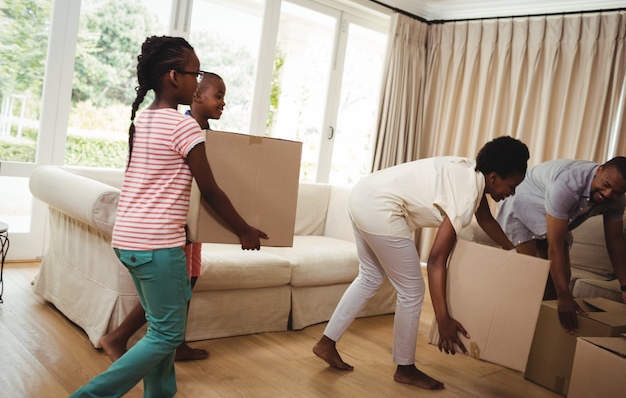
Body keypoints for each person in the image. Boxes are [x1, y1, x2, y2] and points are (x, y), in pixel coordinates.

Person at [69, 36, 267, 398]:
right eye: (196, 73)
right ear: (174, 77)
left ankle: (160, 394)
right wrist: (244, 230)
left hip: (128, 241)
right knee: (167, 335)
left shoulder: (144, 121)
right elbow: (209, 191)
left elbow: (155, 183)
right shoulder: (184, 127)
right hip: (158, 246)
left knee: (160, 327)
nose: (197, 82)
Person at [313, 136, 530, 390]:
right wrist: (443, 319)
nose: (511, 193)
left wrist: (514, 253)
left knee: (370, 277)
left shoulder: (470, 172)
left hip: (362, 194)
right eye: (512, 185)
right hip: (380, 208)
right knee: (412, 290)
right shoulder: (467, 190)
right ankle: (405, 369)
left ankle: (326, 344)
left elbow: (485, 219)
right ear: (494, 177)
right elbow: (437, 259)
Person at [99, 72, 229, 363]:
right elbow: (198, 186)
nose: (223, 103)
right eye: (217, 96)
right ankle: (121, 337)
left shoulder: (205, 131)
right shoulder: (182, 127)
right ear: (197, 95)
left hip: (194, 224)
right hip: (173, 228)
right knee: (171, 289)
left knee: (189, 280)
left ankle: (176, 343)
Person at [496, 157, 626, 334]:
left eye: (617, 192)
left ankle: (543, 336)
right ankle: (509, 331)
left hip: (549, 210)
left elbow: (616, 239)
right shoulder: (569, 183)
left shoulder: (616, 200)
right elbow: (555, 244)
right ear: (599, 170)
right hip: (522, 203)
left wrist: (624, 286)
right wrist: (564, 296)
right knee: (531, 274)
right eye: (606, 185)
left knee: (559, 281)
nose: (608, 194)